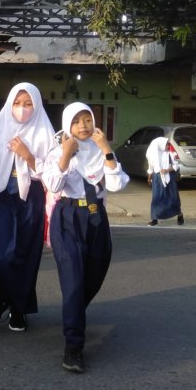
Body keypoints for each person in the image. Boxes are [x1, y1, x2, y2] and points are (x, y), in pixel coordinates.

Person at [42, 102, 129, 373]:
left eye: (87, 119)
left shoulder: (102, 152)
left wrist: (106, 150)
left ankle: (74, 311)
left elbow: (116, 183)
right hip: (67, 217)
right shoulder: (58, 151)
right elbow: (53, 185)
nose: (83, 125)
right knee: (73, 280)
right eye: (77, 121)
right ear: (68, 124)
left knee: (94, 275)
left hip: (96, 218)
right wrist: (66, 155)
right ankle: (74, 346)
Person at [0, 83, 56, 333]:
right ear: (10, 104)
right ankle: (2, 301)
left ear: (37, 105)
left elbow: (52, 174)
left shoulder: (45, 133)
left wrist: (28, 155)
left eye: (28, 103)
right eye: (18, 103)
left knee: (24, 255)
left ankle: (16, 308)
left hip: (30, 198)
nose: (22, 109)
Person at [146, 136, 184, 226]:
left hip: (169, 178)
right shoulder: (151, 153)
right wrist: (149, 177)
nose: (168, 146)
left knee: (173, 198)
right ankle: (154, 219)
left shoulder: (170, 153)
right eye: (167, 144)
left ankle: (179, 214)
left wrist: (167, 170)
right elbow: (150, 166)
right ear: (160, 145)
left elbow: (177, 165)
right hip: (157, 178)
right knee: (156, 198)